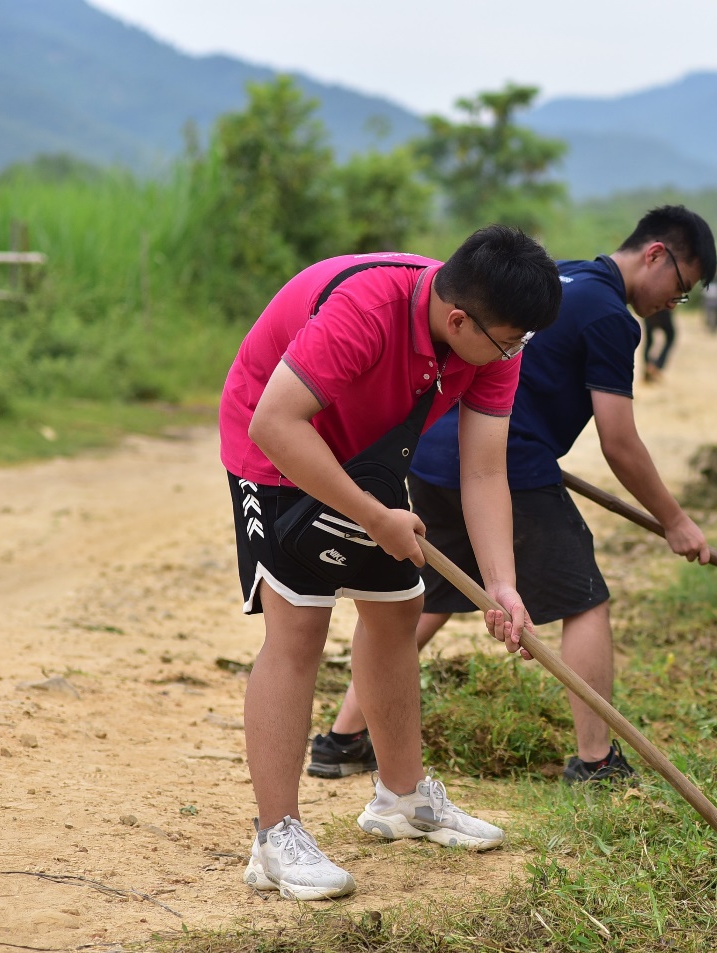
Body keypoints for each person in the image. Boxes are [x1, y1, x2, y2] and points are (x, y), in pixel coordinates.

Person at [311, 206, 717, 785]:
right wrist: (676, 521)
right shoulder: (612, 318)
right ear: (655, 254)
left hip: (432, 457)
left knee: (437, 594)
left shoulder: (561, 277)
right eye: (679, 290)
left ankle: (342, 738)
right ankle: (597, 761)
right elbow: (619, 441)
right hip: (503, 466)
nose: (671, 303)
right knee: (584, 599)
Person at [220, 226, 562, 900]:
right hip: (279, 441)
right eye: (508, 342)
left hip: (366, 449)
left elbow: (485, 467)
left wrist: (502, 583)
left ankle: (401, 799)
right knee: (298, 629)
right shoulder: (367, 311)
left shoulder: (495, 336)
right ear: (458, 319)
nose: (514, 353)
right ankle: (275, 836)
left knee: (398, 607)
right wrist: (375, 515)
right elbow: (275, 423)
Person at [641, 308, 674, 382]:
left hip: (648, 309)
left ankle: (649, 365)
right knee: (670, 337)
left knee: (649, 341)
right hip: (663, 309)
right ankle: (656, 366)